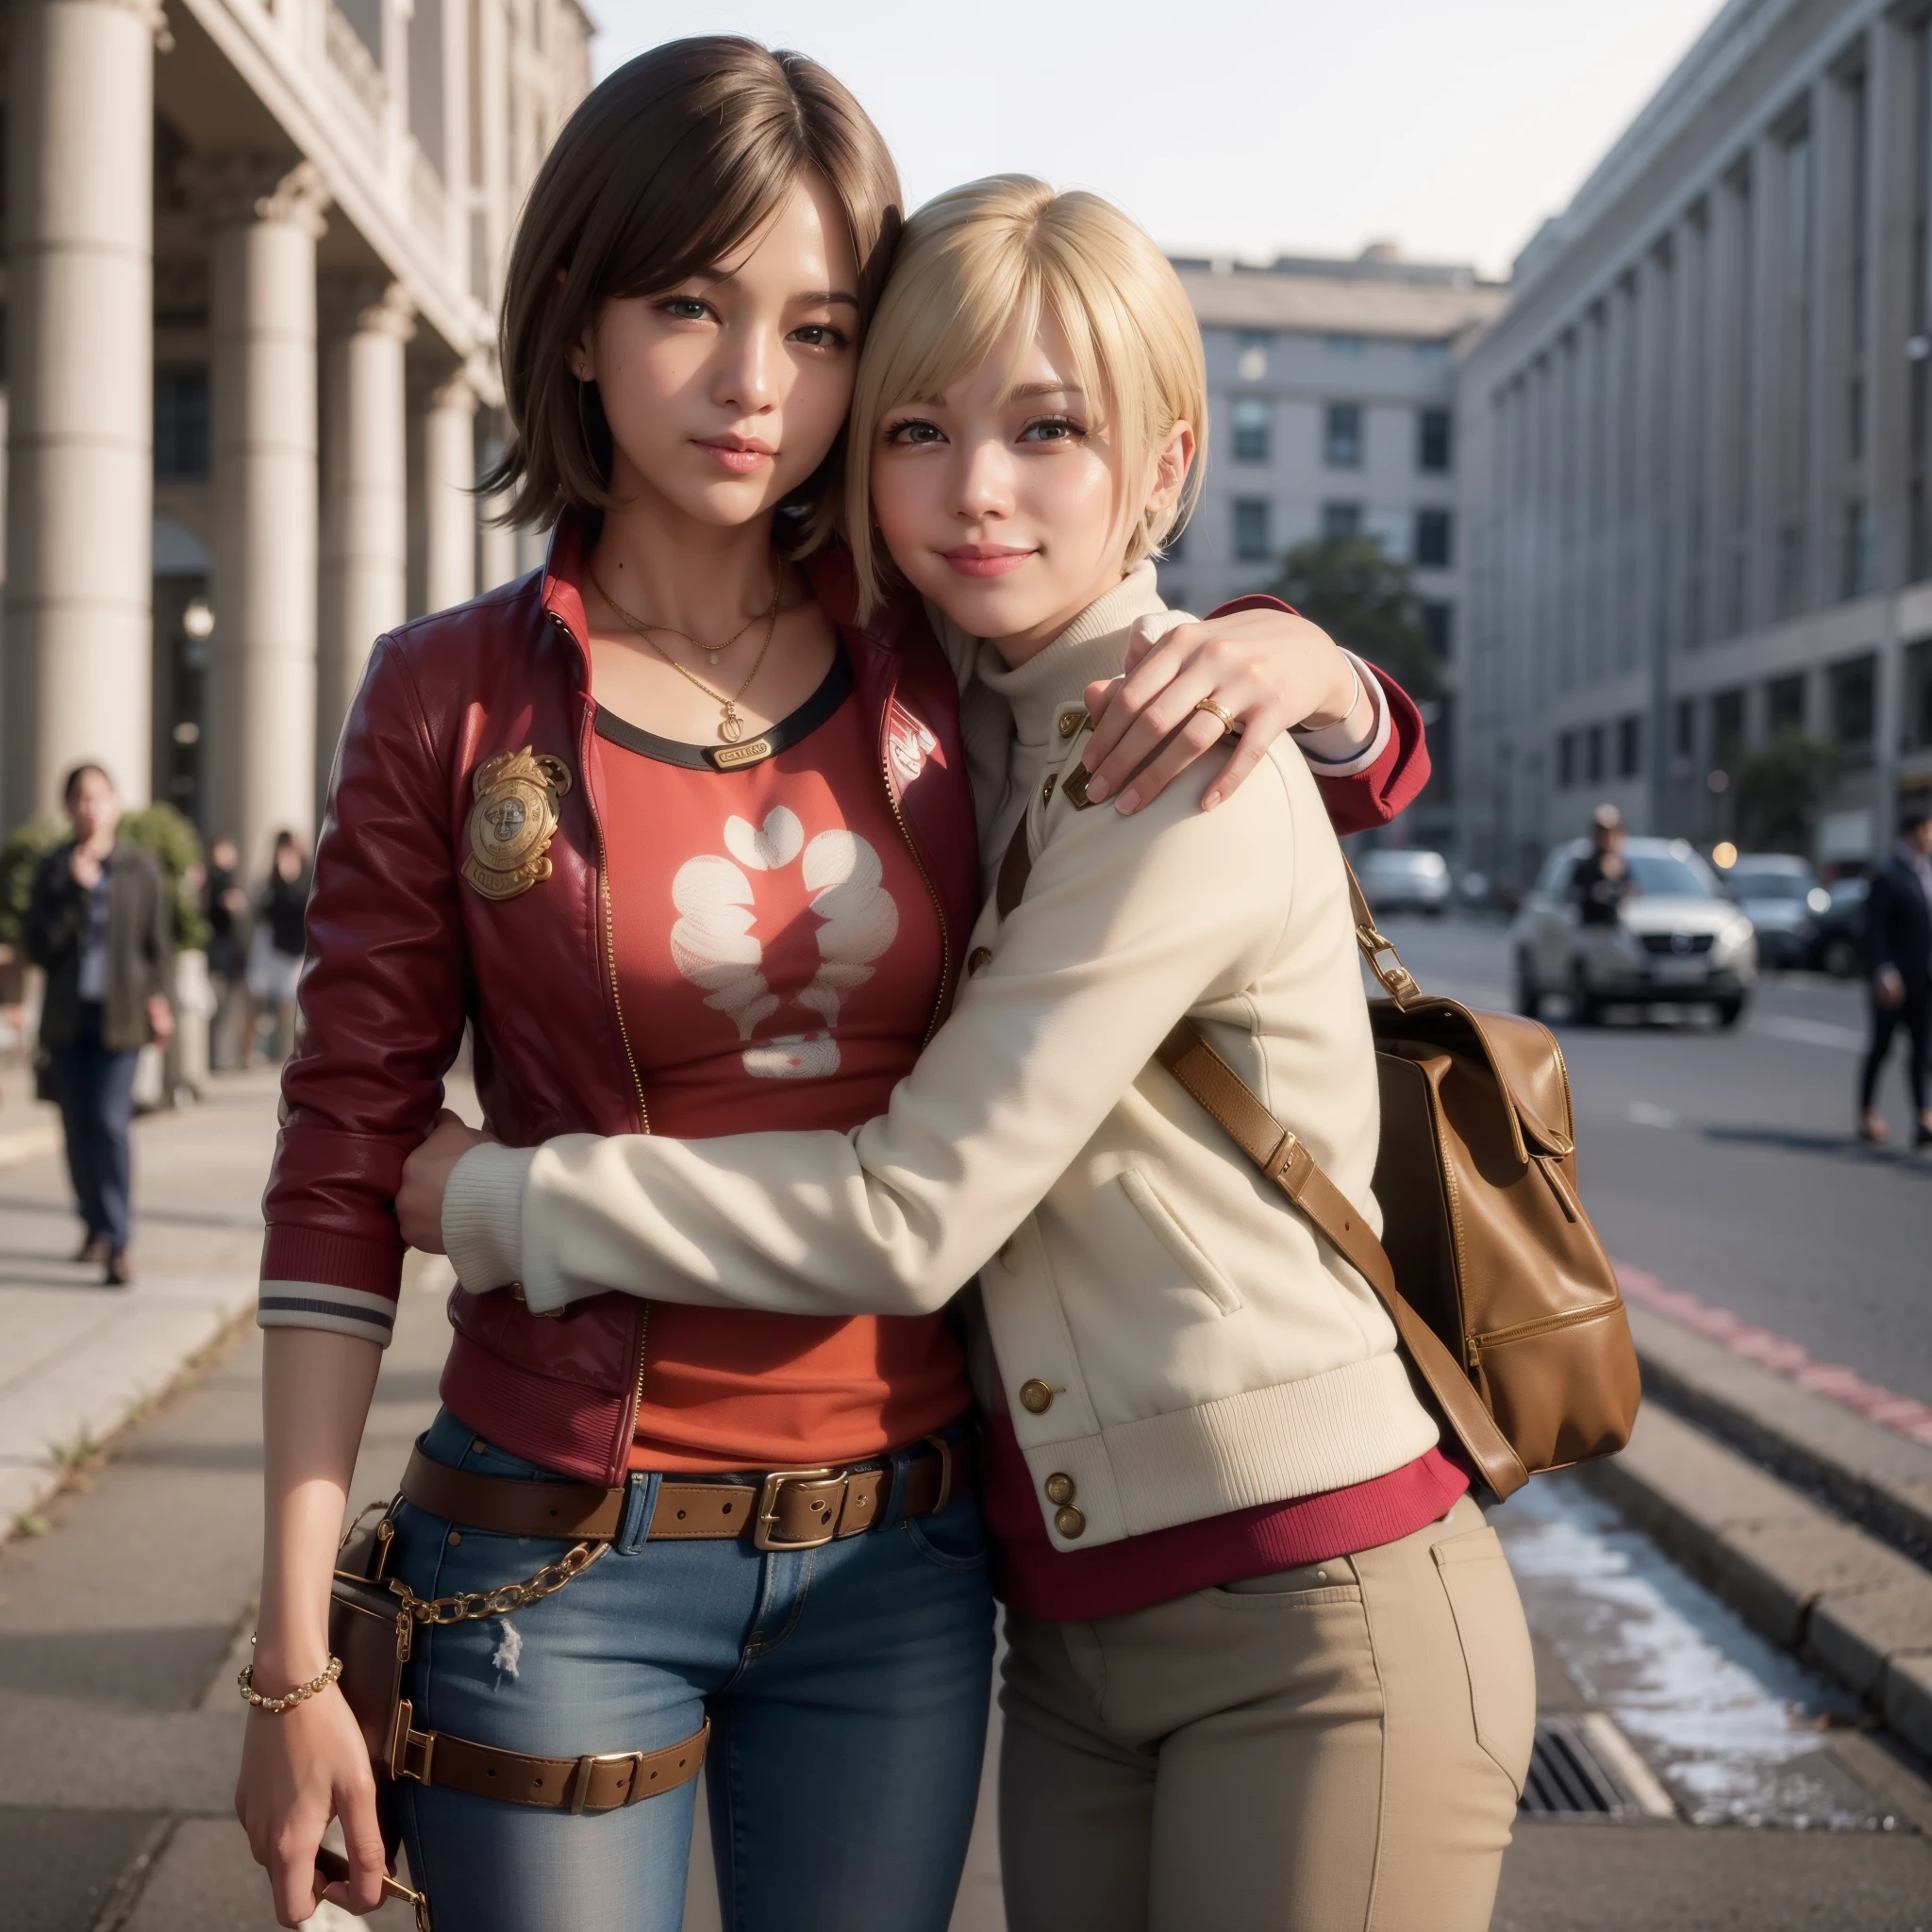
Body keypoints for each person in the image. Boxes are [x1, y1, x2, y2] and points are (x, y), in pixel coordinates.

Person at [234, 42, 1430, 1932]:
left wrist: (1314, 668)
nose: (751, 387)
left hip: (909, 1559)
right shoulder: (447, 698)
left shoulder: (930, 646)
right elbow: (340, 1166)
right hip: (558, 1542)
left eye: (815, 327)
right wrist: (293, 1657)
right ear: (573, 321)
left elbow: (1260, 762)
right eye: (689, 308)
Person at [25, 764, 175, 1286]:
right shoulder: (53, 870)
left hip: (123, 1019)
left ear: (114, 803)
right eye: (79, 799)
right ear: (68, 808)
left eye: (98, 797)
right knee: (76, 1129)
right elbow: (40, 948)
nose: (90, 808)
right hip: (68, 1021)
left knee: (110, 1123)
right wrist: (76, 891)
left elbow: (158, 947)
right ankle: (92, 1223)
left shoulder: (140, 866)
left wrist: (161, 1002)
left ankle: (118, 1241)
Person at [1858, 805, 1932, 1147]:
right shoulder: (1888, 874)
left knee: (1922, 1050)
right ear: (1913, 832)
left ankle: (1922, 1117)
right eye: (1928, 830)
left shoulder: (1925, 872)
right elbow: (1874, 930)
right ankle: (1866, 1112)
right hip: (1893, 983)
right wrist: (1884, 972)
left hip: (1923, 981)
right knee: (1881, 1048)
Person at [244, 831, 308, 1064]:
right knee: (256, 999)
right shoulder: (271, 881)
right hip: (271, 945)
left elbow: (303, 907)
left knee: (288, 1003)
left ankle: (287, 1053)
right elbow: (263, 910)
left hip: (294, 948)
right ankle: (248, 1054)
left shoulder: (306, 879)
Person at [203, 836, 248, 1071]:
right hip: (219, 955)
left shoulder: (234, 880)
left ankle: (225, 1058)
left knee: (230, 1010)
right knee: (219, 1009)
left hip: (233, 957)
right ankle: (217, 1059)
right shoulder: (212, 880)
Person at [1571, 801, 1632, 926]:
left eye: (1611, 832)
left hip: (1614, 928)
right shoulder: (1585, 864)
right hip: (1590, 928)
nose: (1607, 837)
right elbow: (1573, 893)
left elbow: (1631, 891)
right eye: (1602, 832)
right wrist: (1593, 892)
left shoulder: (1621, 864)